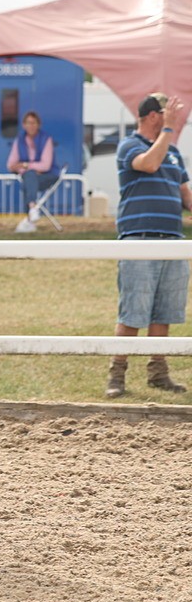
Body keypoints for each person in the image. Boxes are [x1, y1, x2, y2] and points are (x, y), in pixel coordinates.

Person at [106, 92, 192, 398]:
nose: (174, 118)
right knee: (133, 311)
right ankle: (116, 375)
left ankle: (158, 372)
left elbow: (185, 194)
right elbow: (150, 164)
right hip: (139, 240)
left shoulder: (174, 152)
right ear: (153, 116)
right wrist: (168, 131)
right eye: (167, 113)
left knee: (163, 312)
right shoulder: (130, 146)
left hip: (172, 241)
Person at [7, 111, 61, 233]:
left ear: (38, 124)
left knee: (28, 179)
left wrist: (25, 165)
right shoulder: (19, 140)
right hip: (31, 177)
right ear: (23, 125)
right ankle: (32, 214)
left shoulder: (46, 139)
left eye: (33, 123)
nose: (31, 126)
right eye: (28, 123)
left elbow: (46, 165)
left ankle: (31, 214)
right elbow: (11, 164)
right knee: (29, 177)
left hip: (48, 176)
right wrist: (31, 168)